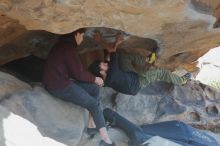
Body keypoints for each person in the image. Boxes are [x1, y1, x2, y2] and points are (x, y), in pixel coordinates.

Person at [42, 28, 115, 146]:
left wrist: (92, 81)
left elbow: (74, 72)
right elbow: (78, 74)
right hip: (59, 86)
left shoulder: (62, 45)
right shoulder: (69, 48)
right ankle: (106, 139)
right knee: (94, 104)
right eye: (82, 35)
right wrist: (95, 78)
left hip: (58, 81)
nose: (82, 38)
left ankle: (92, 124)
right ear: (76, 35)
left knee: (94, 88)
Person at [89, 32, 191, 95]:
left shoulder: (104, 79)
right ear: (101, 71)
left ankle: (147, 61)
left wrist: (113, 46)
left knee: (124, 57)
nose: (105, 63)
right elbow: (112, 50)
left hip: (127, 76)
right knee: (160, 72)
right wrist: (108, 41)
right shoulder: (113, 73)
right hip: (136, 84)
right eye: (103, 65)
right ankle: (180, 80)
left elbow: (109, 55)